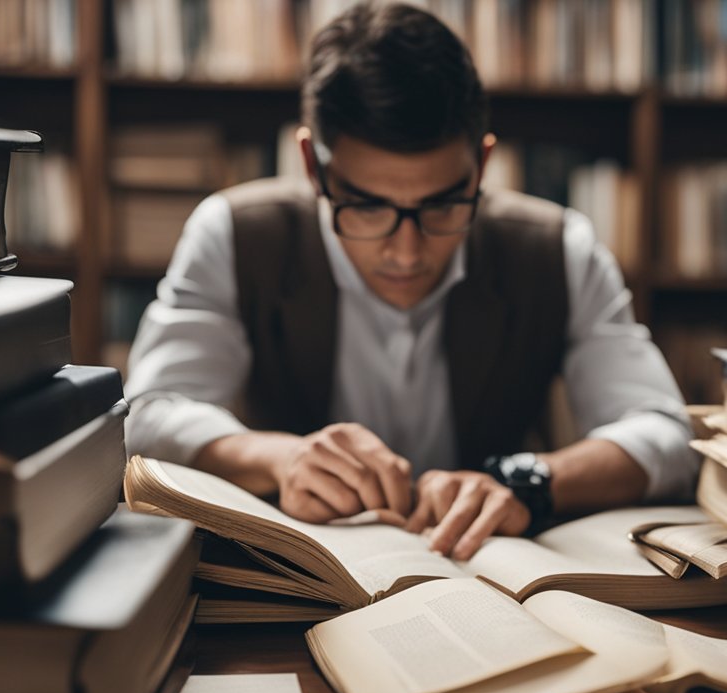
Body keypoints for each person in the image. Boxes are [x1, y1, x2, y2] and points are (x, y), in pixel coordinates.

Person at [125, 1, 695, 560]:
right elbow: (144, 418)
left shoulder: (559, 249)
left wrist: (530, 481)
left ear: (483, 165)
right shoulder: (234, 234)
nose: (406, 250)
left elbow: (667, 435)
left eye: (443, 205)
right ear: (311, 166)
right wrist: (278, 457)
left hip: (491, 579)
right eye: (368, 207)